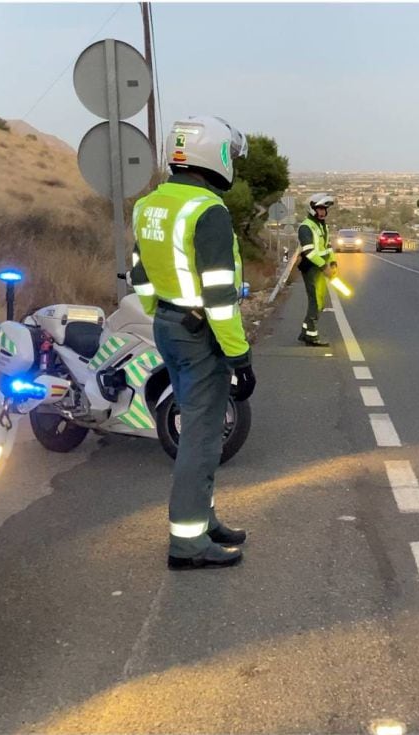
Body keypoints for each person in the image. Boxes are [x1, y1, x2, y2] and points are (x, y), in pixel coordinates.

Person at [129, 116, 256, 570]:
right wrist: (239, 356)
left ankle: (203, 519)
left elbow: (140, 272)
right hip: (201, 333)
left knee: (196, 429)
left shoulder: (148, 205)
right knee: (201, 438)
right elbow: (220, 295)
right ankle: (187, 541)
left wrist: (162, 311)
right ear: (215, 156)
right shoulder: (208, 211)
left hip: (169, 324)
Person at [297, 193, 337, 347]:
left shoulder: (323, 226)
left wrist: (333, 263)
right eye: (320, 208)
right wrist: (323, 266)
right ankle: (312, 336)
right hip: (312, 269)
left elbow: (328, 246)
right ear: (312, 208)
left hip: (321, 269)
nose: (323, 212)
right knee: (315, 302)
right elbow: (309, 252)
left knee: (320, 302)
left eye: (324, 209)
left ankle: (305, 332)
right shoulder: (306, 227)